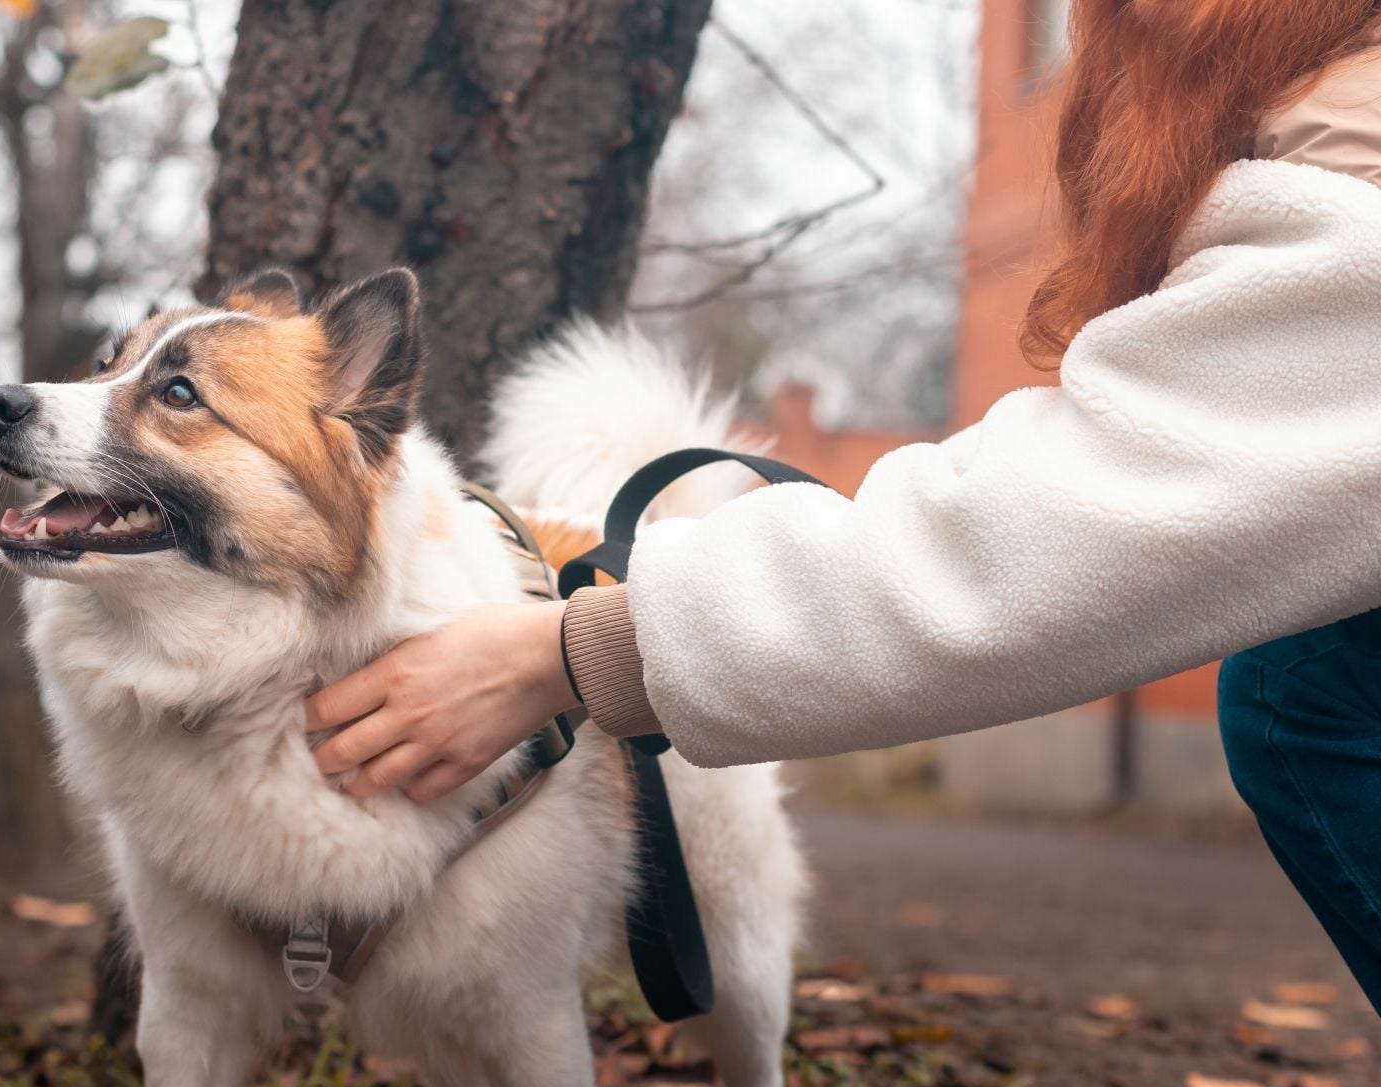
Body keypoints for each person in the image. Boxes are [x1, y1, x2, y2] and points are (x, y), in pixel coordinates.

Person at [305, 1, 1381, 1011]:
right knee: (1306, 680)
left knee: (1298, 690)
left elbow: (1061, 527)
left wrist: (571, 652)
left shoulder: (1354, 152)